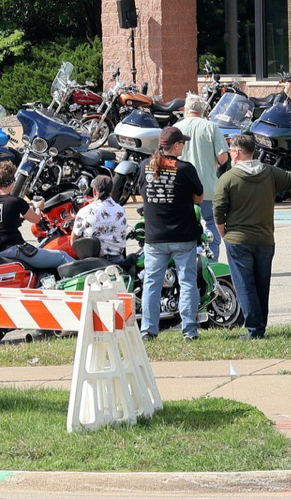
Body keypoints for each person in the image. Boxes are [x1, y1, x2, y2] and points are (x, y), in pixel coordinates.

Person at [214, 132, 291, 339]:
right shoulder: (269, 172)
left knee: (245, 285)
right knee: (262, 284)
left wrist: (224, 234)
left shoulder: (228, 178)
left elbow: (218, 211)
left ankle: (254, 330)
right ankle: (260, 326)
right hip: (265, 239)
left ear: (235, 152)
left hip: (238, 239)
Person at [138, 126, 205, 340]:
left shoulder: (144, 166)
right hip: (183, 235)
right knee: (187, 282)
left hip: (155, 235)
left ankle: (148, 330)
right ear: (175, 146)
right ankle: (189, 331)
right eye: (182, 143)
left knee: (152, 283)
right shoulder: (185, 169)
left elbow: (141, 194)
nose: (183, 146)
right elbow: (199, 198)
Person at [172, 94, 230, 262]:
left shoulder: (177, 128)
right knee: (212, 222)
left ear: (186, 109)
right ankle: (212, 262)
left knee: (185, 225)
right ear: (203, 110)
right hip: (208, 187)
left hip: (182, 189)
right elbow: (223, 157)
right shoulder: (211, 127)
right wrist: (216, 165)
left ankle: (188, 261)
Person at [0, 162, 63, 271]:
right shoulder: (16, 202)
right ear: (12, 182)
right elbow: (36, 219)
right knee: (61, 256)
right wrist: (39, 207)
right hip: (14, 250)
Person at [71, 174, 127, 259]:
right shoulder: (121, 210)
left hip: (93, 263)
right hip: (118, 260)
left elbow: (73, 242)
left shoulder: (84, 212)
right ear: (110, 191)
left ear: (94, 191)